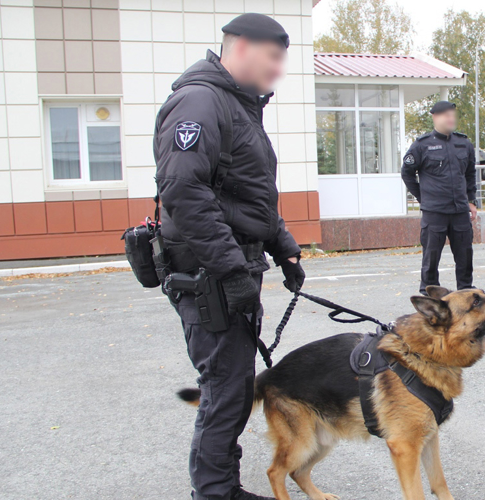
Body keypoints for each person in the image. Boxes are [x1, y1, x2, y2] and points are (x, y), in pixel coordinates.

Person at [153, 13, 305, 500]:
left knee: (235, 386)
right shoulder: (201, 101)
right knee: (225, 388)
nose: (278, 70)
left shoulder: (237, 105)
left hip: (230, 268)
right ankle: (216, 492)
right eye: (273, 58)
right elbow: (183, 192)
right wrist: (231, 269)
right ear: (240, 47)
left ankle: (221, 487)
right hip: (208, 273)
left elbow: (246, 195)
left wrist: (283, 248)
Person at [401, 101, 477, 295]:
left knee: (465, 256)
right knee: (431, 257)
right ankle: (429, 294)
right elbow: (407, 173)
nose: (450, 118)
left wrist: (471, 200)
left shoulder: (464, 144)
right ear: (435, 117)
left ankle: (466, 293)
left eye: (452, 114)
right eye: (445, 115)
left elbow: (469, 174)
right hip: (434, 212)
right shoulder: (422, 145)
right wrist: (422, 198)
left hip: (460, 210)